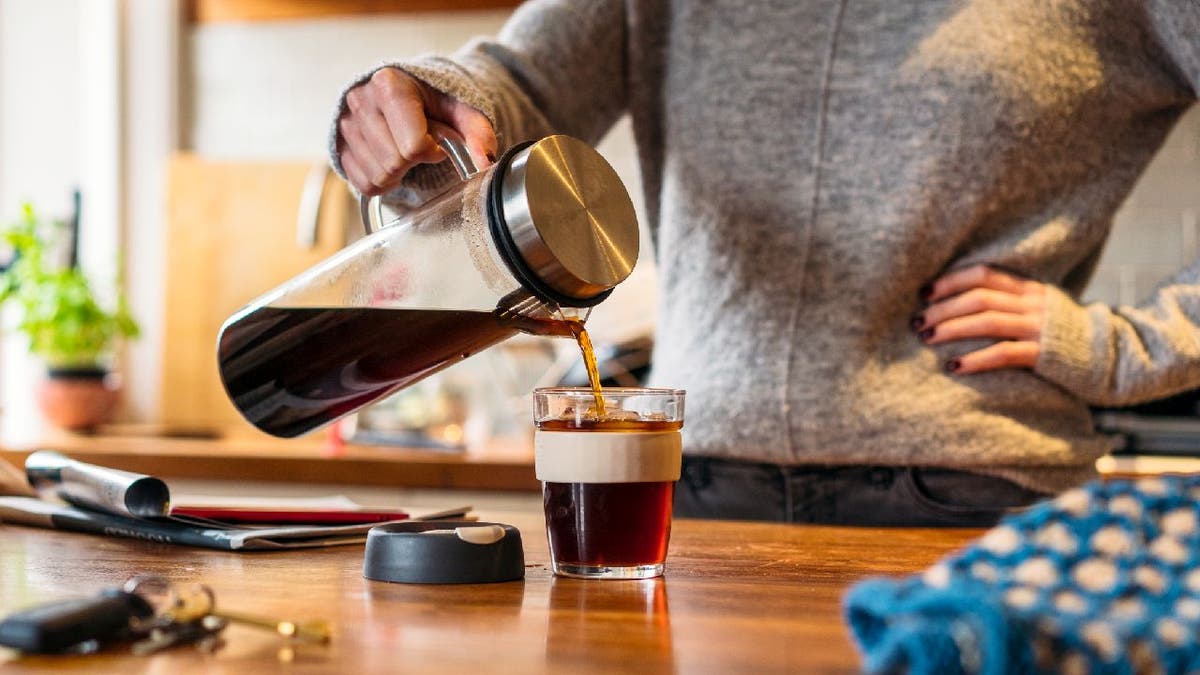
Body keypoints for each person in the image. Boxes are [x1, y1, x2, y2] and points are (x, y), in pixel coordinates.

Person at [329, 1, 1200, 526]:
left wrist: (1120, 345)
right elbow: (511, 85)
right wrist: (423, 106)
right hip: (694, 487)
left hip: (974, 491)